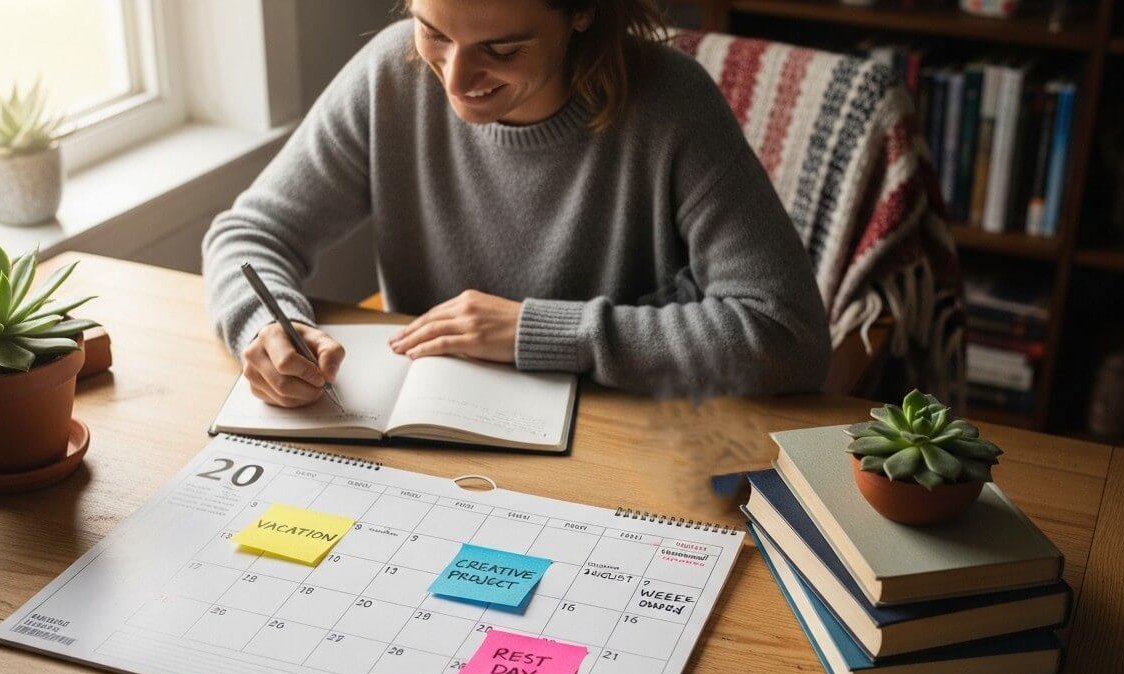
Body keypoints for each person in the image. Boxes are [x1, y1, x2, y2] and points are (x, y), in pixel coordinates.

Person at [203, 0, 830, 408]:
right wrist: (267, 328)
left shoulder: (673, 105)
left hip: (626, 437)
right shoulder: (389, 75)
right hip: (427, 435)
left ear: (583, 12)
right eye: (434, 33)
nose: (453, 82)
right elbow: (249, 234)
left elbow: (786, 335)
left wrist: (546, 334)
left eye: (502, 51)